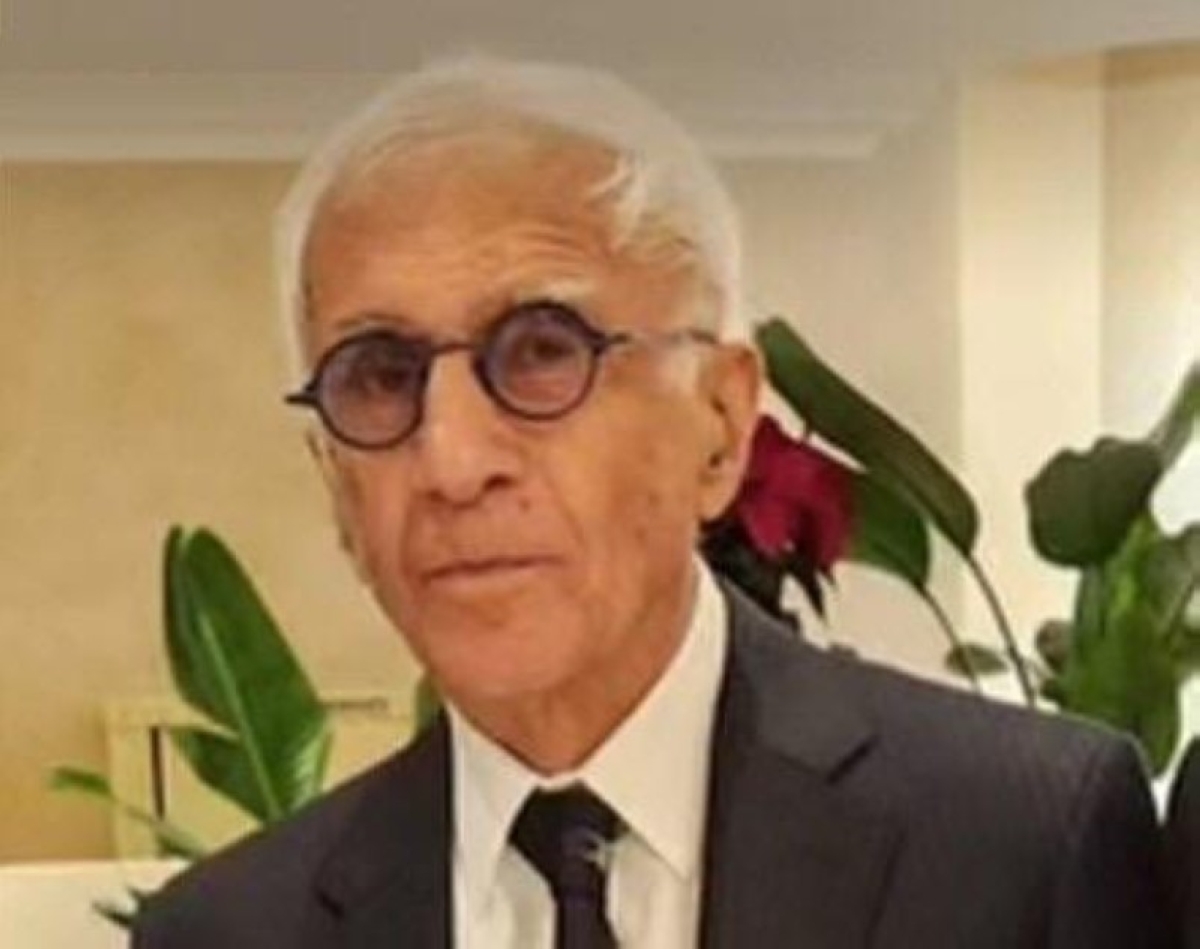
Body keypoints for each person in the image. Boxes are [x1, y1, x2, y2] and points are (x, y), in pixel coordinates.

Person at [134, 56, 1174, 948]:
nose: (451, 460)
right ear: (334, 481)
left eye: (542, 352)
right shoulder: (227, 931)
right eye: (379, 375)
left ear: (719, 424)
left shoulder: (1022, 842)